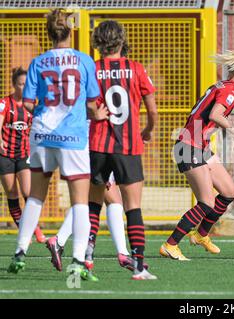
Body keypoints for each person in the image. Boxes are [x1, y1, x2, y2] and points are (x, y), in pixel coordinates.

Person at [7, 9, 107, 280]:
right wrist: (96, 114)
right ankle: (76, 261)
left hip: (41, 134)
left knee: (36, 196)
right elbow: (90, 103)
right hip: (72, 137)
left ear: (48, 33)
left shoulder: (38, 62)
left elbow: (27, 104)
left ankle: (19, 252)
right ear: (71, 31)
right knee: (80, 202)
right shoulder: (84, 61)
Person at [160, 49, 234, 261]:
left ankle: (201, 234)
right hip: (189, 146)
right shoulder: (231, 89)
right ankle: (171, 244)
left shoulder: (222, 86)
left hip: (199, 145)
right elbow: (215, 114)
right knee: (206, 203)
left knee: (229, 192)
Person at [87, 20, 158, 280]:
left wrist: (95, 112)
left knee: (93, 204)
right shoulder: (137, 69)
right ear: (121, 40)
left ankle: (86, 256)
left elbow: (87, 107)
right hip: (128, 146)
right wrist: (149, 130)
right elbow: (152, 110)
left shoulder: (92, 70)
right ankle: (138, 265)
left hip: (98, 145)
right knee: (133, 206)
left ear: (98, 42)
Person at [46, 173, 148, 273]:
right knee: (87, 201)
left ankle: (59, 240)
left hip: (93, 159)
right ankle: (59, 240)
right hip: (95, 159)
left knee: (110, 201)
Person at [0, 67, 45, 243]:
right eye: (20, 84)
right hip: (5, 155)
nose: (23, 87)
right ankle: (24, 231)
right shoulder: (5, 103)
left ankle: (36, 228)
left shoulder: (33, 104)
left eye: (26, 84)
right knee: (12, 193)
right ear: (14, 85)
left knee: (28, 192)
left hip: (24, 154)